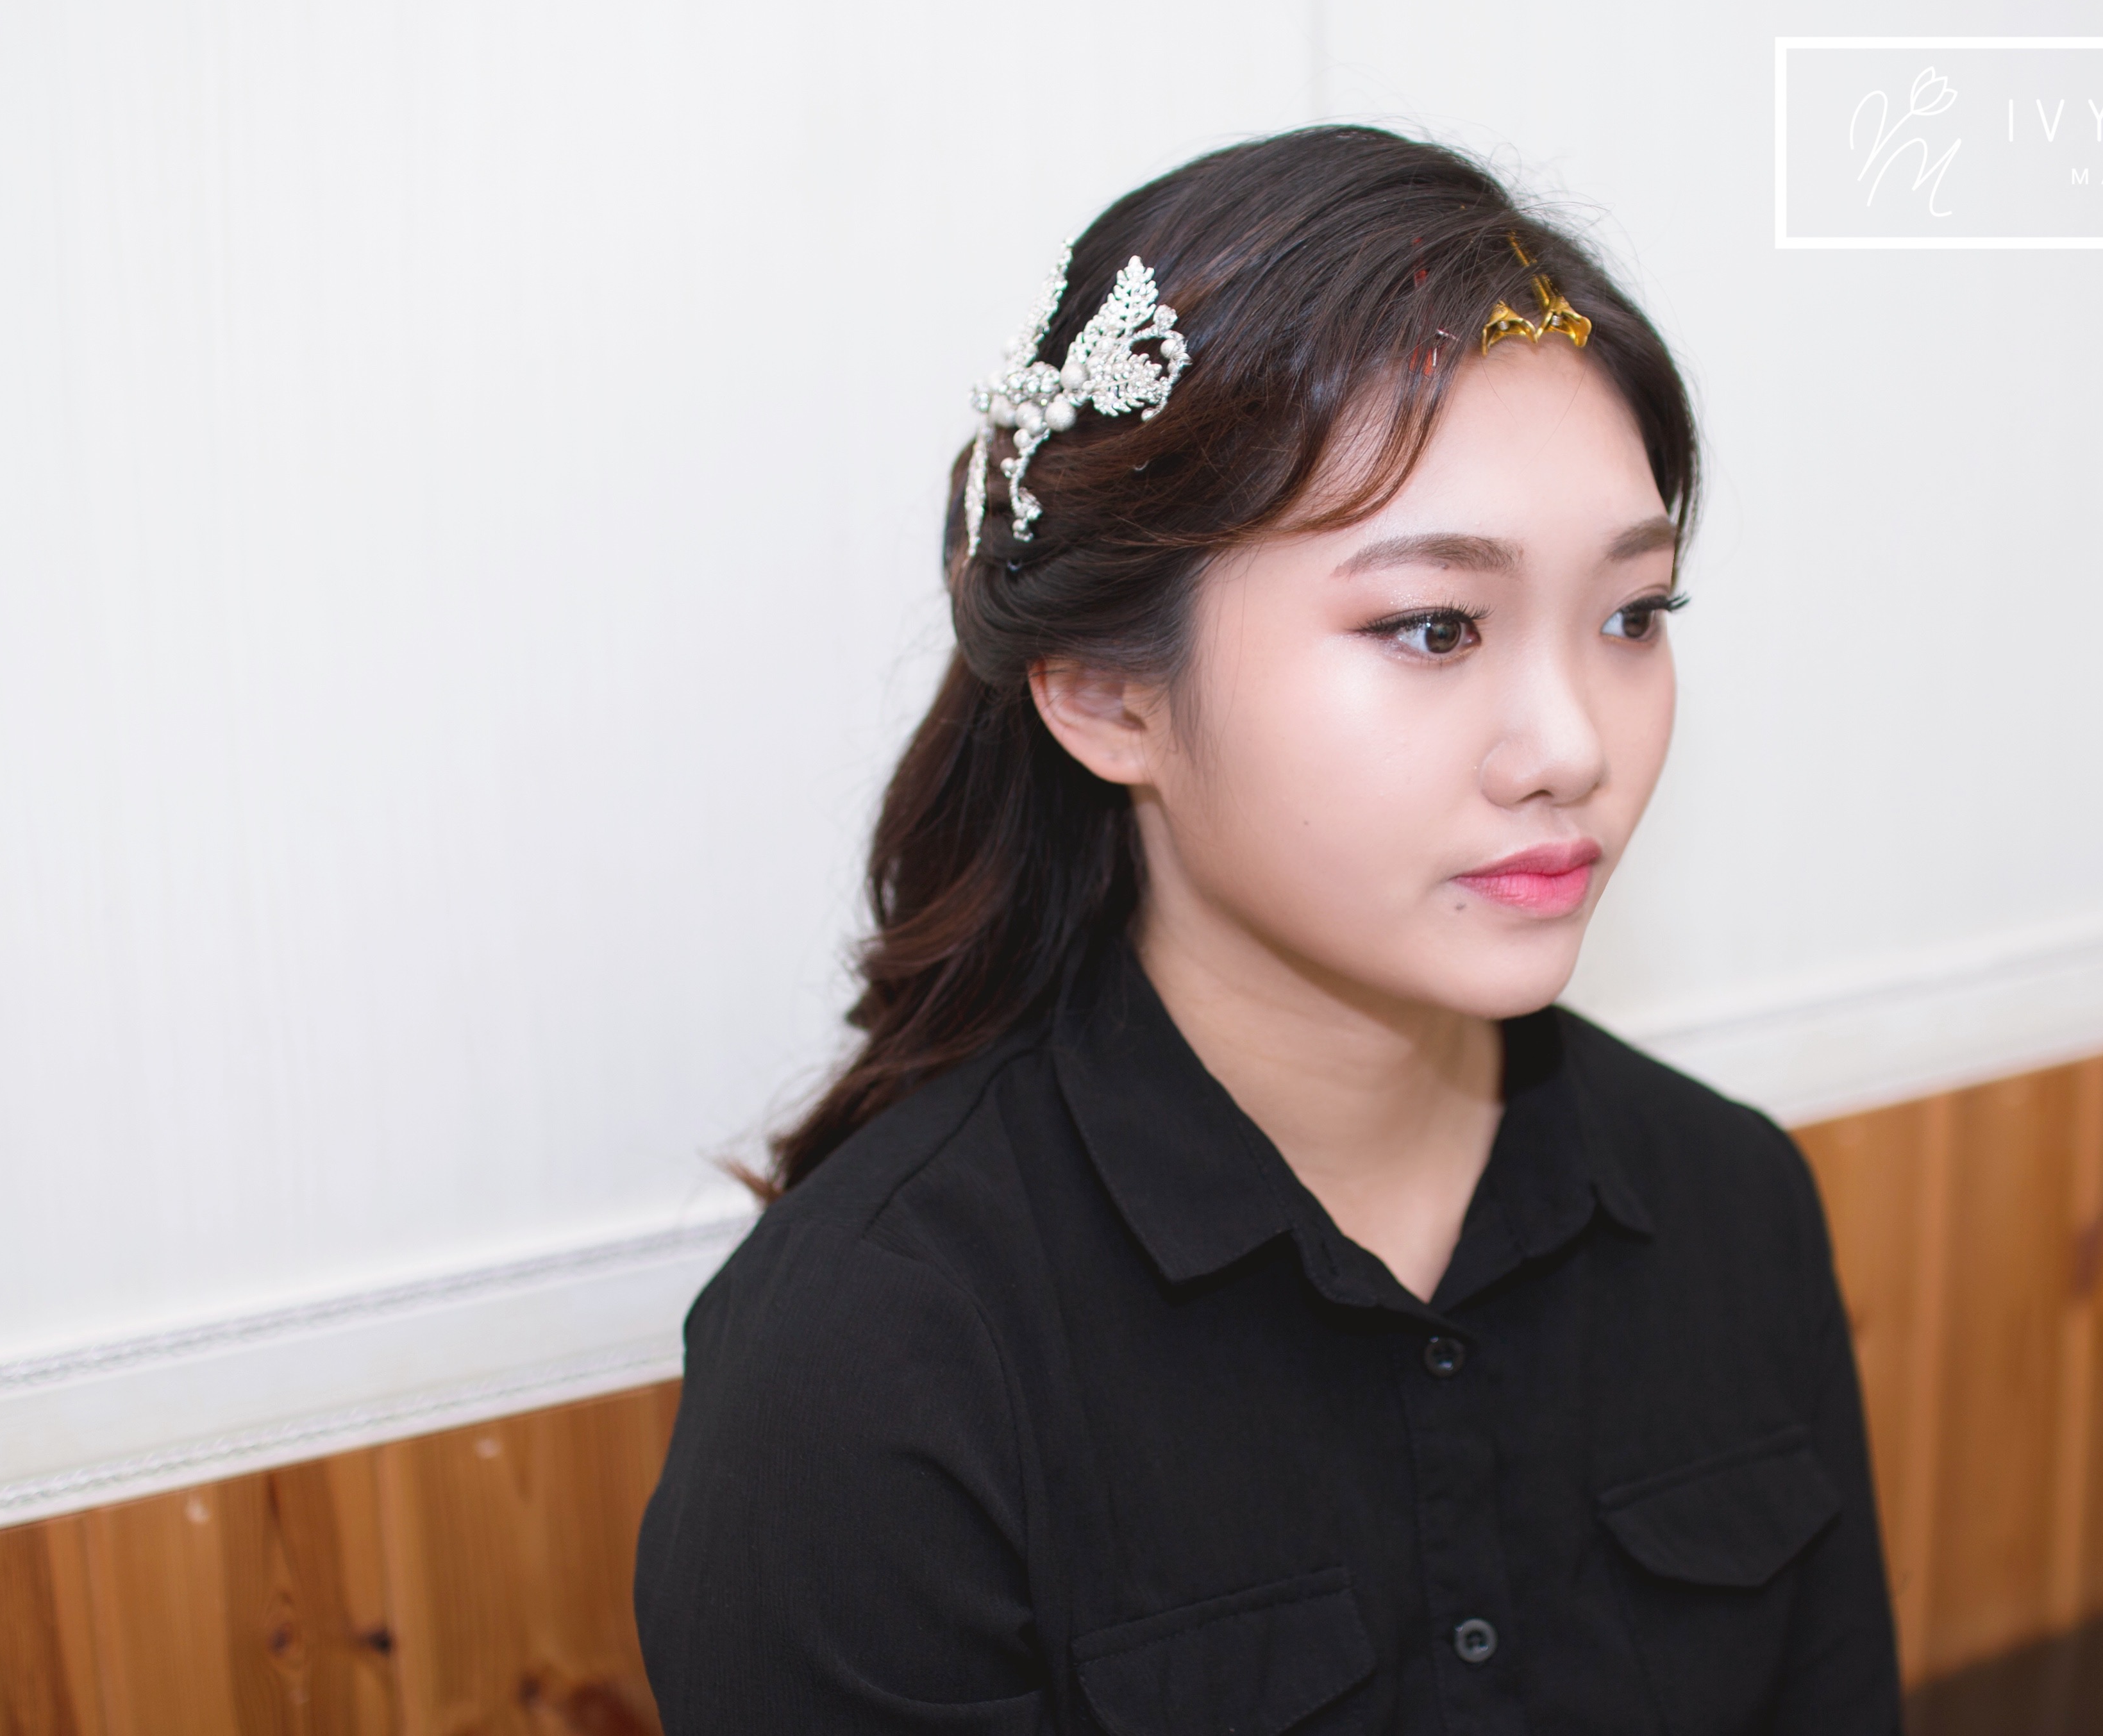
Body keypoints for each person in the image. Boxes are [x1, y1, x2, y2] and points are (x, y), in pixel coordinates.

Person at [635, 125, 1900, 1735]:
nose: (1571, 744)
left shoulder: (1730, 1205)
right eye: (1433, 626)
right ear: (1107, 694)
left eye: (1631, 615)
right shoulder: (872, 1362)